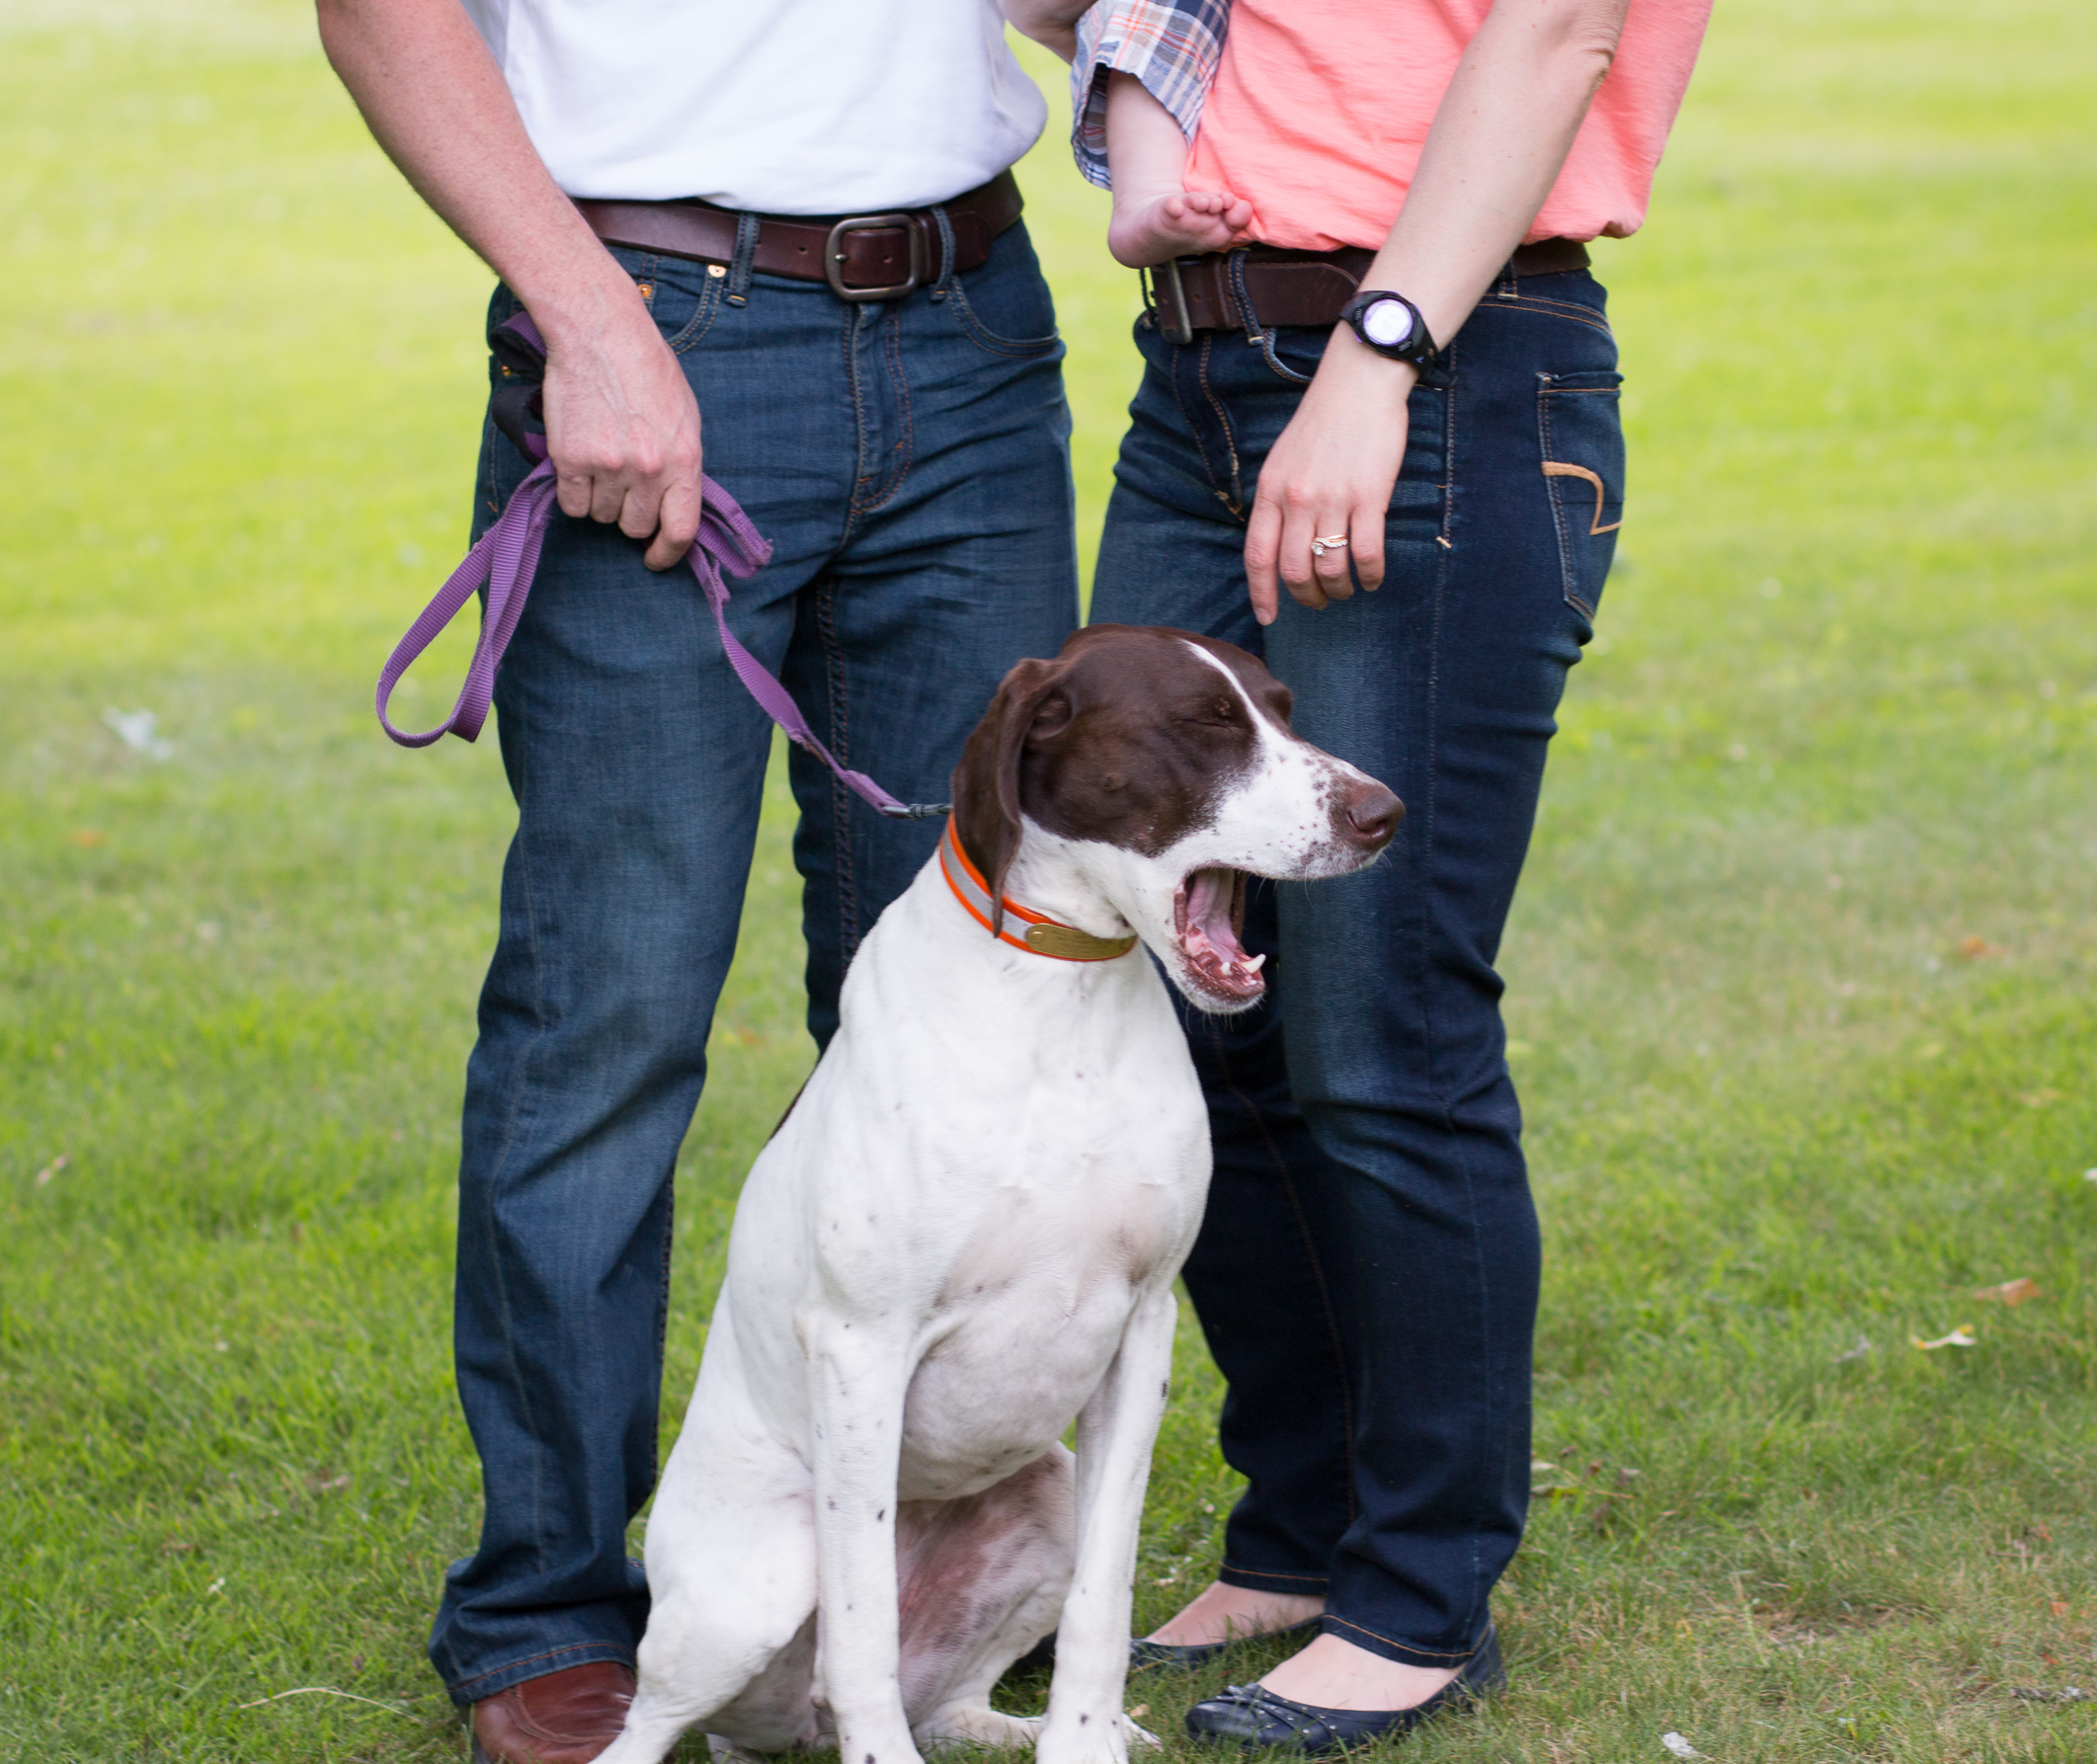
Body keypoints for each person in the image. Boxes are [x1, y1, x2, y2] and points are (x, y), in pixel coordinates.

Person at [315, 2, 1086, 1757]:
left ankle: (889, 1562)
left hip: (972, 327)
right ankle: (547, 1609)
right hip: (655, 322)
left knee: (978, 1016)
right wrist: (585, 320)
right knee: (613, 1013)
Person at [1075, 0, 1710, 1749]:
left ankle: (1420, 1593)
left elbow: (1562, 36)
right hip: (1196, 374)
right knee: (1192, 998)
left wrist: (1377, 356)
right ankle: (1302, 1525)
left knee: (1377, 1024)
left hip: (1438, 364)